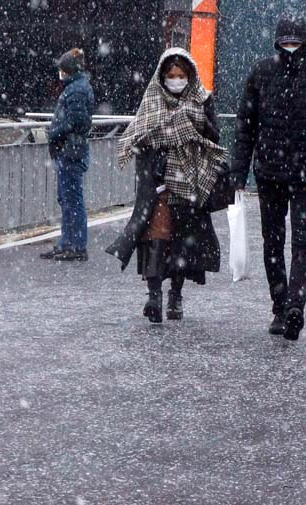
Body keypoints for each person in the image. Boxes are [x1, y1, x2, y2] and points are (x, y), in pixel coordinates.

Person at [231, 14, 306, 340]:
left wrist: (239, 172)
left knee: (282, 242)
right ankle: (288, 304)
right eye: (288, 42)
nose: (291, 47)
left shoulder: (265, 72)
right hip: (294, 171)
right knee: (293, 243)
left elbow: (245, 127)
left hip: (280, 170)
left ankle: (287, 307)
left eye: (294, 41)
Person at [106, 48, 225, 323]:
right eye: (171, 76)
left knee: (182, 240)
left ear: (190, 76)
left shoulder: (201, 100)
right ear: (162, 76)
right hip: (157, 183)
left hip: (189, 182)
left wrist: (193, 124)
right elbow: (137, 136)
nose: (176, 80)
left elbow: (215, 136)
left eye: (181, 76)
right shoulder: (152, 100)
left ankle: (176, 295)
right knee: (156, 236)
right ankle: (154, 295)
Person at [41, 48, 96, 261]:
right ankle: (68, 243)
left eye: (62, 69)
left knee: (71, 200)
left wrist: (55, 132)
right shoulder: (78, 88)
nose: (60, 73)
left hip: (70, 151)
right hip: (71, 149)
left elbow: (76, 121)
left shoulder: (76, 91)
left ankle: (76, 245)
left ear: (68, 71)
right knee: (67, 198)